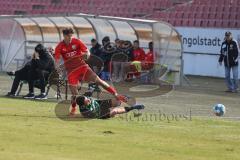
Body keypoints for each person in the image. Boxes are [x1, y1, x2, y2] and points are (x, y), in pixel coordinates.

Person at [54, 28, 127, 115]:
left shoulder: (76, 41)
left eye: (71, 36)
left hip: (82, 66)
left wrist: (87, 55)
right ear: (64, 36)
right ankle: (74, 108)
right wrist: (58, 68)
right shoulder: (60, 46)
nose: (70, 38)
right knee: (74, 93)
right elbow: (57, 60)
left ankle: (116, 94)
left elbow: (87, 51)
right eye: (68, 36)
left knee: (99, 81)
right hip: (71, 71)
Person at [76, 94, 144, 119]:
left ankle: (129, 101)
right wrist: (110, 110)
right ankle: (133, 107)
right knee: (114, 111)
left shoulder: (86, 99)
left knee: (117, 101)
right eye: (86, 100)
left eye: (87, 98)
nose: (88, 99)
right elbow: (95, 115)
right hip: (100, 114)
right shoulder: (86, 111)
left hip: (99, 104)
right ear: (83, 104)